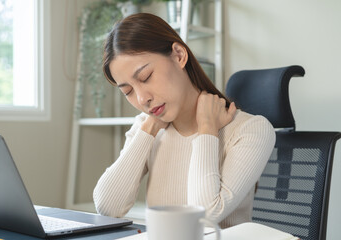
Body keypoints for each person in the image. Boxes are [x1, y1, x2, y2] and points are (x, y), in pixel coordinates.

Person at [93, 13, 275, 228]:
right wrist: (149, 128)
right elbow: (107, 207)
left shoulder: (250, 130)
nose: (142, 98)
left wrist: (207, 129)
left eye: (146, 77)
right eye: (128, 91)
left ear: (179, 55)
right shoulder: (147, 127)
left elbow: (204, 216)